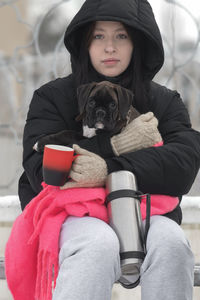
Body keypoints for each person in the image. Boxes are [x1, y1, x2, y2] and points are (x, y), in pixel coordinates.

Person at [18, 0, 200, 299]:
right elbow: (41, 170)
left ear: (138, 43)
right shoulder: (52, 97)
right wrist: (115, 145)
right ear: (84, 44)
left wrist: (109, 168)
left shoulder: (164, 101)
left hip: (145, 212)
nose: (110, 47)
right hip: (71, 216)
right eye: (98, 36)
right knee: (97, 244)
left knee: (172, 244)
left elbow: (183, 164)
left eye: (121, 36)